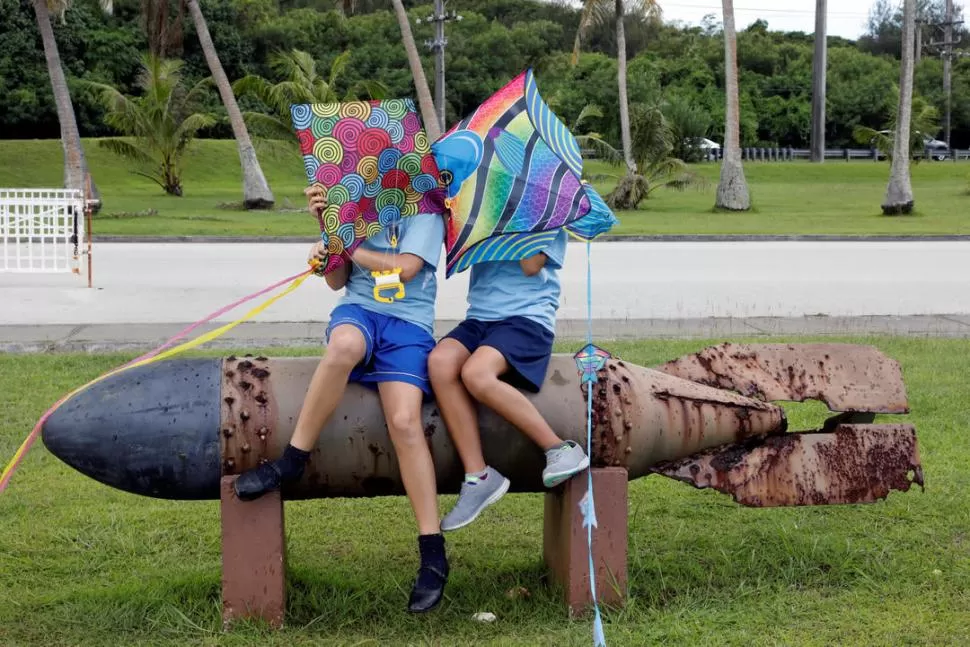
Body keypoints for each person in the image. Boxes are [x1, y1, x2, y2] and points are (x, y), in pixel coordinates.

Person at [233, 185, 449, 613]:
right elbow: (337, 281)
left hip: (408, 327)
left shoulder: (426, 207)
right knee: (344, 346)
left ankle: (433, 552)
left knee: (405, 423)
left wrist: (346, 241)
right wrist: (325, 225)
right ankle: (293, 460)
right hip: (360, 313)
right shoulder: (353, 200)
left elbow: (404, 269)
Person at [427, 229, 589, 532]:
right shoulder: (488, 196)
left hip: (527, 319)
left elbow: (531, 265)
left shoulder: (547, 209)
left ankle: (559, 449)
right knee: (439, 362)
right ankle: (479, 477)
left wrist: (512, 212)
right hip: (481, 318)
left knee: (476, 373)